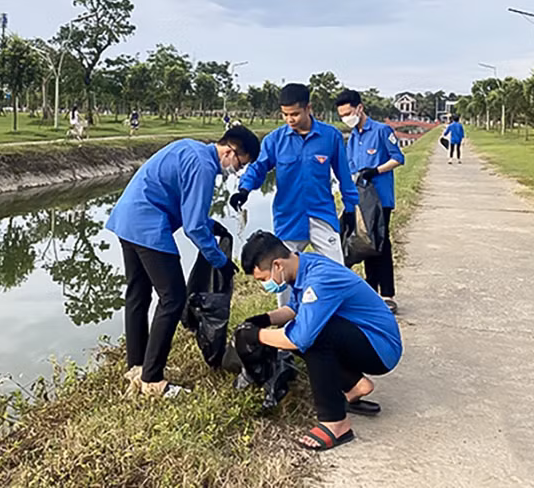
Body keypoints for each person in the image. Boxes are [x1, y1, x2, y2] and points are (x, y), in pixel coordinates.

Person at [105, 125, 261, 396]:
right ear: (229, 151)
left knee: (138, 295)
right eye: (239, 165)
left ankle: (138, 367)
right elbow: (193, 227)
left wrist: (211, 225)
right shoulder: (203, 166)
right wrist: (220, 261)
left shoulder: (191, 148)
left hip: (127, 219)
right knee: (173, 298)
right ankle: (153, 380)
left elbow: (182, 201)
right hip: (148, 226)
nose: (236, 171)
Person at [239, 231, 402, 451]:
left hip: (381, 347)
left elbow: (300, 338)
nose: (265, 285)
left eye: (263, 279)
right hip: (362, 337)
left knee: (312, 337)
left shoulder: (320, 278)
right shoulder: (302, 266)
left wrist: (256, 336)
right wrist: (263, 320)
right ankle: (355, 385)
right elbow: (294, 309)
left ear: (277, 265)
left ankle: (336, 423)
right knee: (300, 329)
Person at [230, 83, 359, 308]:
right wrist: (244, 190)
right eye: (285, 114)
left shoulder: (331, 137)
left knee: (336, 271)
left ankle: (338, 315)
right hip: (288, 218)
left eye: (295, 114)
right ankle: (287, 321)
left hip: (322, 215)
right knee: (282, 275)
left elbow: (344, 177)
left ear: (308, 108)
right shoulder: (274, 140)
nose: (290, 119)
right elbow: (258, 168)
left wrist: (350, 209)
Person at [335, 89, 405, 313]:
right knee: (366, 243)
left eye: (348, 113)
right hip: (360, 199)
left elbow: (398, 158)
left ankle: (387, 294)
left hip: (381, 199)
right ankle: (371, 291)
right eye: (342, 116)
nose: (346, 118)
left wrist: (376, 170)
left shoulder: (382, 131)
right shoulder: (353, 137)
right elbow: (349, 168)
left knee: (381, 244)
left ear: (360, 108)